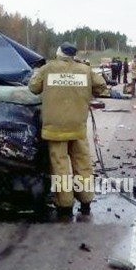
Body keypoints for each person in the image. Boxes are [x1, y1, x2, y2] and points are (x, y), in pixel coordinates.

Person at [28, 42, 107, 220]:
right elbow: (102, 87)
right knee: (82, 163)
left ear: (59, 53)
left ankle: (65, 205)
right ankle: (86, 201)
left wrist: (37, 74)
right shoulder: (85, 70)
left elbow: (33, 88)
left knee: (60, 166)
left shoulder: (47, 69)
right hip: (77, 126)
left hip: (55, 128)